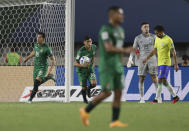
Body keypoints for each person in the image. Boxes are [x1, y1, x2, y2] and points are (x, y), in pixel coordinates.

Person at [80, 6, 133, 127]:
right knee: (107, 92)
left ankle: (114, 121)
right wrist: (126, 50)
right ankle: (85, 111)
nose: (122, 16)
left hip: (117, 66)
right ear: (112, 15)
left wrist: (120, 63)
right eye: (120, 14)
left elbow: (118, 50)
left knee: (119, 92)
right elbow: (108, 48)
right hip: (107, 66)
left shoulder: (121, 30)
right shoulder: (105, 30)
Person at [143, 25, 179, 104]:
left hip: (165, 63)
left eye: (158, 33)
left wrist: (176, 64)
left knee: (159, 79)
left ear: (162, 32)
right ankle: (175, 96)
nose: (156, 35)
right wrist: (147, 58)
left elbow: (173, 52)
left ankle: (156, 99)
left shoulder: (169, 39)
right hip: (160, 63)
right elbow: (154, 50)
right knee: (164, 81)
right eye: (155, 33)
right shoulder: (157, 39)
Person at [127, 22, 161, 103]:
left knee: (154, 78)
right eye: (145, 27)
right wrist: (130, 59)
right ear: (141, 28)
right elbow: (134, 49)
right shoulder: (138, 38)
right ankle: (142, 98)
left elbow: (159, 48)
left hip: (152, 60)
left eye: (148, 27)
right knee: (141, 78)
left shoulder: (154, 37)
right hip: (142, 61)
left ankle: (158, 97)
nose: (147, 28)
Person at [23, 32, 56, 103]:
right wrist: (27, 58)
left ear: (43, 38)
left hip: (43, 68)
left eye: (40, 37)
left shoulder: (47, 48)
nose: (38, 38)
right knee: (36, 83)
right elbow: (34, 52)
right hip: (36, 68)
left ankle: (30, 99)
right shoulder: (36, 45)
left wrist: (50, 70)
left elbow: (53, 60)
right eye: (37, 37)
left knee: (36, 83)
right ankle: (48, 77)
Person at [74, 36, 97, 104]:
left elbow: (92, 56)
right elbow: (75, 63)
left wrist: (93, 64)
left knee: (94, 84)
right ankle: (85, 100)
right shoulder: (81, 51)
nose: (89, 43)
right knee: (83, 87)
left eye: (90, 41)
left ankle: (89, 89)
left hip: (89, 69)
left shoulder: (94, 47)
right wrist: (83, 65)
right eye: (87, 42)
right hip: (81, 71)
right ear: (84, 42)